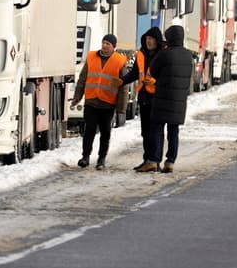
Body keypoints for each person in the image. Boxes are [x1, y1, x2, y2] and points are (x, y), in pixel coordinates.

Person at [70, 33, 126, 170]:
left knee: (105, 132)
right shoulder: (91, 57)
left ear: (113, 47)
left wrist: (121, 109)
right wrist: (77, 97)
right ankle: (85, 157)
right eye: (104, 43)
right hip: (91, 101)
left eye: (108, 44)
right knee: (89, 130)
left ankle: (101, 159)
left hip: (108, 103)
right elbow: (82, 79)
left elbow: (123, 86)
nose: (105, 46)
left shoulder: (119, 61)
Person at [147, 24, 191, 173]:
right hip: (179, 100)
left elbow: (152, 70)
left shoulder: (165, 53)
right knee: (174, 130)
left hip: (162, 97)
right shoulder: (188, 55)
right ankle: (170, 161)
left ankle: (154, 160)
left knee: (157, 128)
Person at [121, 26, 164, 172]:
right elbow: (134, 73)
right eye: (147, 39)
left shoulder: (162, 55)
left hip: (157, 98)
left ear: (157, 41)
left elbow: (167, 77)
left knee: (155, 131)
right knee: (145, 131)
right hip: (144, 98)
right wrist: (121, 81)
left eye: (151, 39)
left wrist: (156, 83)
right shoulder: (141, 54)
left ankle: (155, 160)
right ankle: (147, 159)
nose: (149, 42)